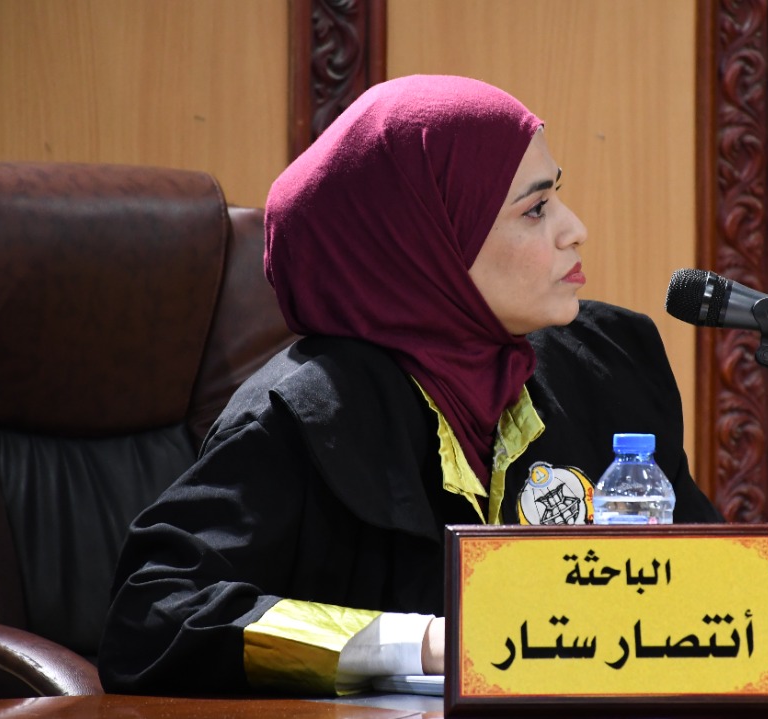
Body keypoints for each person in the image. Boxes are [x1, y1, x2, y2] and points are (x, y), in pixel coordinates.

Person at [98, 74, 722, 696]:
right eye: (535, 210)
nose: (574, 228)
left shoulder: (609, 363)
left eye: (556, 195)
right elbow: (151, 616)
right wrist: (418, 643)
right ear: (428, 242)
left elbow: (713, 593)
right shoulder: (303, 416)